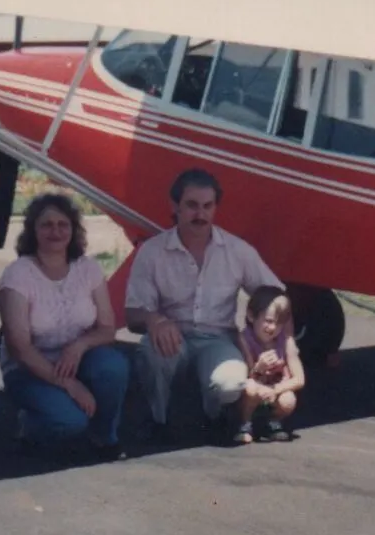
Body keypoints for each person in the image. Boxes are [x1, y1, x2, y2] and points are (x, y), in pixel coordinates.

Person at [125, 168, 284, 439]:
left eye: (207, 206)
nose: (200, 214)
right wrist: (155, 320)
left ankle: (214, 416)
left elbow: (276, 297)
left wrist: (268, 341)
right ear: (174, 206)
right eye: (192, 206)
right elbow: (132, 315)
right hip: (173, 337)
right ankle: (158, 420)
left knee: (230, 382)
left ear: (215, 208)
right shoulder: (152, 252)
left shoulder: (237, 251)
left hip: (218, 339)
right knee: (151, 352)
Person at [0, 193, 129, 460]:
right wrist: (69, 384)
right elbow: (19, 348)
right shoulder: (18, 274)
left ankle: (104, 436)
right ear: (33, 230)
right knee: (70, 422)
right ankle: (29, 426)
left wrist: (79, 346)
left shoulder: (87, 268)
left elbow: (107, 328)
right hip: (30, 368)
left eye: (62, 224)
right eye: (46, 225)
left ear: (73, 229)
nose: (55, 231)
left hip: (77, 359)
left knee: (113, 366)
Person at [233, 285, 306, 445]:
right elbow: (245, 376)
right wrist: (259, 368)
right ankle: (244, 424)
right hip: (254, 389)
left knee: (288, 400)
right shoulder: (244, 339)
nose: (273, 328)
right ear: (252, 316)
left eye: (279, 323)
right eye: (268, 321)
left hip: (273, 390)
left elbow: (300, 379)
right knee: (250, 388)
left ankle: (273, 422)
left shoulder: (286, 342)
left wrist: (275, 389)